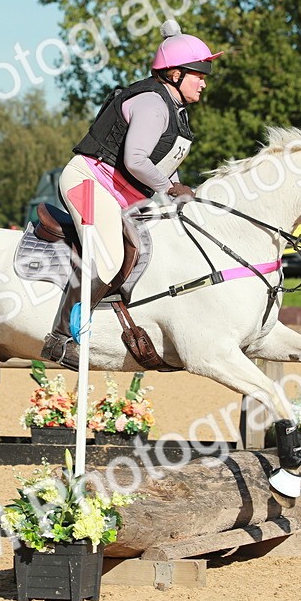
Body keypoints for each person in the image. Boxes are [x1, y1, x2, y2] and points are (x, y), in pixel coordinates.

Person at [41, 20, 223, 370]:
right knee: (108, 259)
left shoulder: (177, 112)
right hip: (88, 182)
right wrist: (169, 188)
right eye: (198, 73)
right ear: (173, 74)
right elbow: (136, 160)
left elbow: (165, 163)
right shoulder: (153, 104)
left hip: (122, 195)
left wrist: (181, 197)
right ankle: (60, 338)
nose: (204, 81)